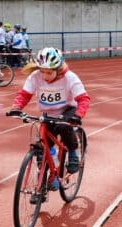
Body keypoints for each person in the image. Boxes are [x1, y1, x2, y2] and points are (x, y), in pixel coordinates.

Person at [9, 47, 90, 186]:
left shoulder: (70, 77)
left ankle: (73, 152)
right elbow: (24, 95)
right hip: (48, 113)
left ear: (58, 69)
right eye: (42, 71)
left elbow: (83, 99)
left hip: (67, 110)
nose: (45, 76)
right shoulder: (35, 76)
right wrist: (16, 108)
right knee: (42, 147)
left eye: (49, 72)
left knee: (64, 127)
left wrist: (78, 115)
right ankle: (50, 176)